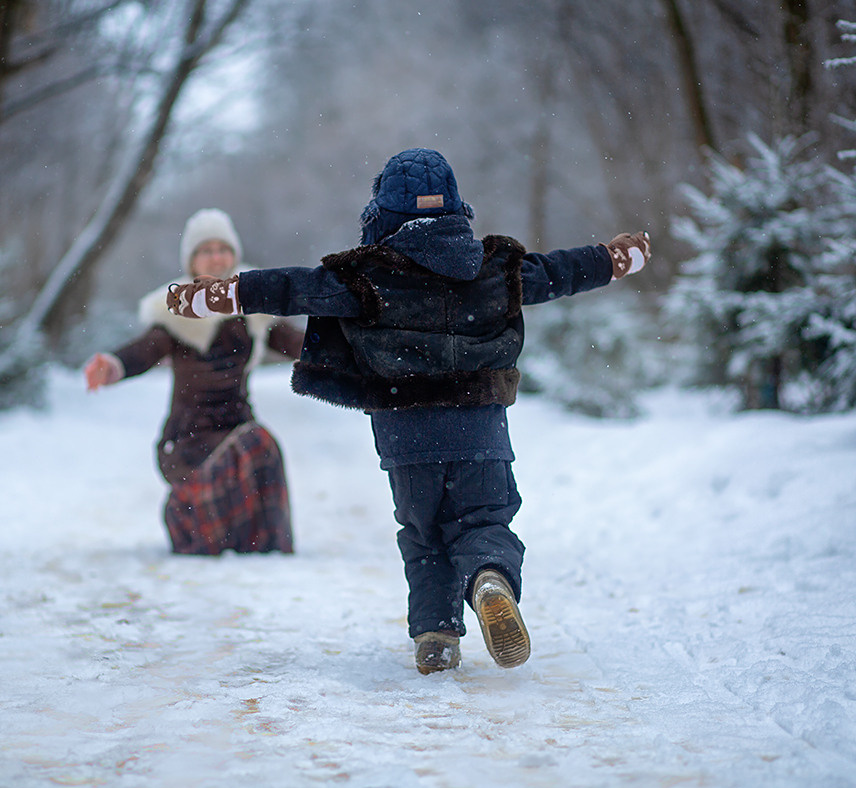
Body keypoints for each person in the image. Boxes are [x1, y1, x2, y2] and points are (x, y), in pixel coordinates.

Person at [165, 149, 650, 673]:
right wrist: (618, 257)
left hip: (405, 433)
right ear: (456, 210)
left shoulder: (368, 276)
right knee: (483, 519)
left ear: (383, 215)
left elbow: (293, 285)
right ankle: (489, 575)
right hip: (480, 428)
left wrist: (218, 295)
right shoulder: (495, 269)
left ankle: (436, 634)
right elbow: (560, 271)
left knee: (423, 535)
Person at [84, 208, 304, 556]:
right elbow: (146, 349)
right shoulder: (177, 309)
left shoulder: (253, 303)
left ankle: (263, 545)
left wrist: (339, 353)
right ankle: (188, 521)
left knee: (261, 446)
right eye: (206, 250)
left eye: (223, 248)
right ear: (191, 260)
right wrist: (113, 366)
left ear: (234, 254)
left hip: (237, 424)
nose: (216, 257)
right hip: (191, 434)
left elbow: (295, 343)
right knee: (211, 532)